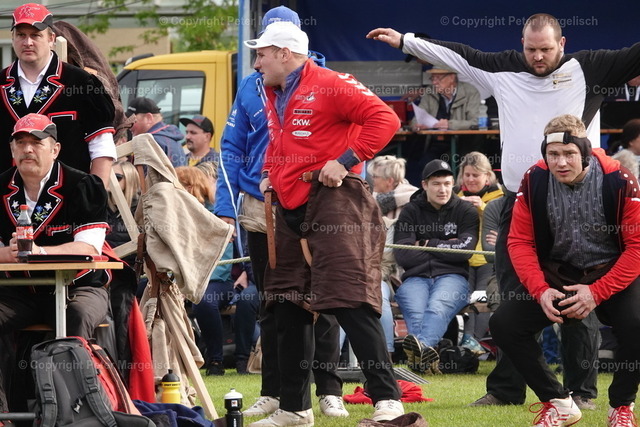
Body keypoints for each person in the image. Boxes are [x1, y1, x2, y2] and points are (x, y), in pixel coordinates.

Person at [367, 12, 640, 408]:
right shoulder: (502, 68)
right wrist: (406, 41)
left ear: (562, 44)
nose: (538, 57)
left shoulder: (590, 68)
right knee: (513, 299)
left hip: (578, 201)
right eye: (531, 49)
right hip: (520, 201)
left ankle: (580, 393)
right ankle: (506, 390)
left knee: (577, 297)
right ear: (521, 45)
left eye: (546, 49)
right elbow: (457, 54)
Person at [245, 20, 404, 425]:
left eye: (261, 54)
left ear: (284, 53)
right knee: (286, 306)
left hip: (335, 202)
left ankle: (388, 399)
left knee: (349, 300)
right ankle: (295, 409)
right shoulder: (273, 90)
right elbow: (280, 140)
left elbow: (385, 120)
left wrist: (346, 160)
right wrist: (269, 171)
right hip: (289, 207)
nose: (257, 63)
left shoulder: (332, 83)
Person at [215, 6, 348, 422]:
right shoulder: (251, 85)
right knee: (272, 302)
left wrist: (347, 176)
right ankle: (274, 392)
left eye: (266, 47)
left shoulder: (326, 81)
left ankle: (329, 390)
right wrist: (225, 208)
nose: (259, 58)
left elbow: (355, 133)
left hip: (315, 201)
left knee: (324, 299)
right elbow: (231, 147)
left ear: (288, 45)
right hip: (262, 204)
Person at [491, 114, 640, 426]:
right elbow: (519, 241)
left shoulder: (619, 179)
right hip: (559, 274)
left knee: (637, 325)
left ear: (584, 152)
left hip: (610, 272)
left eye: (569, 154)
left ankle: (621, 406)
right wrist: (540, 290)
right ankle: (558, 403)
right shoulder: (533, 179)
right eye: (553, 154)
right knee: (504, 324)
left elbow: (636, 247)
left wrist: (597, 292)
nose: (560, 162)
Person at [0, 113, 110, 412]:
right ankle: (4, 414)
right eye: (20, 142)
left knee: (76, 317)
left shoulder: (83, 184)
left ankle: (74, 413)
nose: (27, 149)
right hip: (19, 292)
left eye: (36, 142)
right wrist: (5, 255)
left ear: (55, 149)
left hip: (79, 287)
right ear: (11, 150)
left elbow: (89, 247)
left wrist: (41, 253)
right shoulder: (1, 186)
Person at [0, 3, 116, 187]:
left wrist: (94, 195)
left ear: (51, 38)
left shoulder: (81, 82)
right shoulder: (1, 83)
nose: (28, 42)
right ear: (12, 38)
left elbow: (102, 146)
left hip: (68, 197)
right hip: (8, 198)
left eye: (35, 35)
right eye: (21, 35)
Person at [393, 159, 479, 373]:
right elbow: (403, 255)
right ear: (424, 185)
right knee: (416, 312)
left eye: (447, 184)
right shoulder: (410, 211)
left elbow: (465, 251)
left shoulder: (465, 211)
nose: (443, 190)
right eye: (437, 184)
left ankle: (419, 355)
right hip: (415, 277)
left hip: (453, 277)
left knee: (437, 307)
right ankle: (425, 360)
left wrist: (426, 243)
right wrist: (447, 247)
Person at [454, 152, 503, 352]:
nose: (470, 179)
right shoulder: (454, 196)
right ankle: (467, 343)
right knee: (463, 297)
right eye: (467, 175)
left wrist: (482, 207)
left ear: (487, 177)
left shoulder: (499, 197)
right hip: (463, 259)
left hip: (487, 259)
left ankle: (475, 342)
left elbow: (499, 225)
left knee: (483, 298)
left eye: (476, 175)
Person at [411, 68, 480, 131]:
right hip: (433, 138)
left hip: (462, 139)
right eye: (432, 78)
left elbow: (475, 122)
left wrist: (449, 124)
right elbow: (417, 119)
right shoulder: (430, 92)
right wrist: (417, 125)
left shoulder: (470, 92)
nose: (434, 82)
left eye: (438, 78)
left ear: (452, 77)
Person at [126, 97, 186, 167]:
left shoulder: (151, 142)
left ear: (149, 118)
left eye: (133, 120)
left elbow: (145, 173)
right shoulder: (172, 139)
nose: (128, 125)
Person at [106, 159, 141, 266]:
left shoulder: (140, 210)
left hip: (130, 267)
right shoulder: (100, 206)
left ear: (130, 179)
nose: (111, 181)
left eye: (117, 177)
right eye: (108, 176)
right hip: (104, 266)